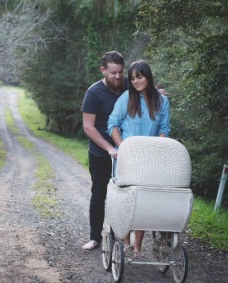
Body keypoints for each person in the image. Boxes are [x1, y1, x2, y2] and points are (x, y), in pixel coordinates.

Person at [107, 59, 170, 257]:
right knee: (127, 200)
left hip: (150, 159)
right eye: (132, 78)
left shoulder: (162, 102)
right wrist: (122, 147)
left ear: (148, 77)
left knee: (143, 202)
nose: (135, 81)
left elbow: (164, 130)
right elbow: (112, 124)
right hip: (127, 158)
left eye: (139, 77)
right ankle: (125, 241)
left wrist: (156, 148)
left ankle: (138, 246)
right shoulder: (126, 98)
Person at [80, 51, 128, 250]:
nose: (117, 77)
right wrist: (109, 148)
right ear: (103, 70)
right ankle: (95, 237)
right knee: (99, 193)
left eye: (120, 73)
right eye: (113, 73)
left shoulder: (128, 85)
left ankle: (120, 236)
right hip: (101, 151)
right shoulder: (94, 92)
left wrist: (155, 94)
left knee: (125, 194)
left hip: (125, 151)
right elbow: (88, 127)